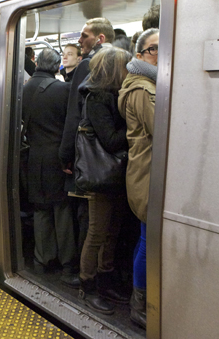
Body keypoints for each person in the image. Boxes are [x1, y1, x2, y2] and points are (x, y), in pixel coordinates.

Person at [57, 17, 115, 288]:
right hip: (105, 157)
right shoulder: (114, 66)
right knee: (98, 223)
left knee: (92, 221)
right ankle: (92, 277)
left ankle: (88, 275)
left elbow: (73, 114)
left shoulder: (88, 66)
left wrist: (66, 153)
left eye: (84, 36)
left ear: (100, 39)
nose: (80, 41)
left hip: (89, 156)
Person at [76, 47, 132, 314]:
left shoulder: (114, 95)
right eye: (126, 66)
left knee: (111, 232)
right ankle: (87, 286)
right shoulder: (97, 98)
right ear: (114, 69)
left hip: (117, 174)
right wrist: (133, 124)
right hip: (102, 175)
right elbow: (110, 140)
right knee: (97, 232)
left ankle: (105, 281)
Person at [118, 28, 159, 329]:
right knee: (147, 240)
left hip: (143, 170)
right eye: (155, 48)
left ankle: (139, 292)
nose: (161, 53)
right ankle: (139, 304)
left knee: (145, 238)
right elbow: (160, 128)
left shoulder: (147, 84)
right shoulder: (143, 89)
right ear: (141, 54)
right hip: (146, 172)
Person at [22, 48, 75, 277]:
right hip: (56, 159)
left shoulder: (24, 89)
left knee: (41, 209)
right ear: (56, 67)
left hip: (34, 157)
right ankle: (67, 262)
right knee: (61, 210)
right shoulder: (63, 89)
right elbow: (69, 127)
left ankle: (42, 258)